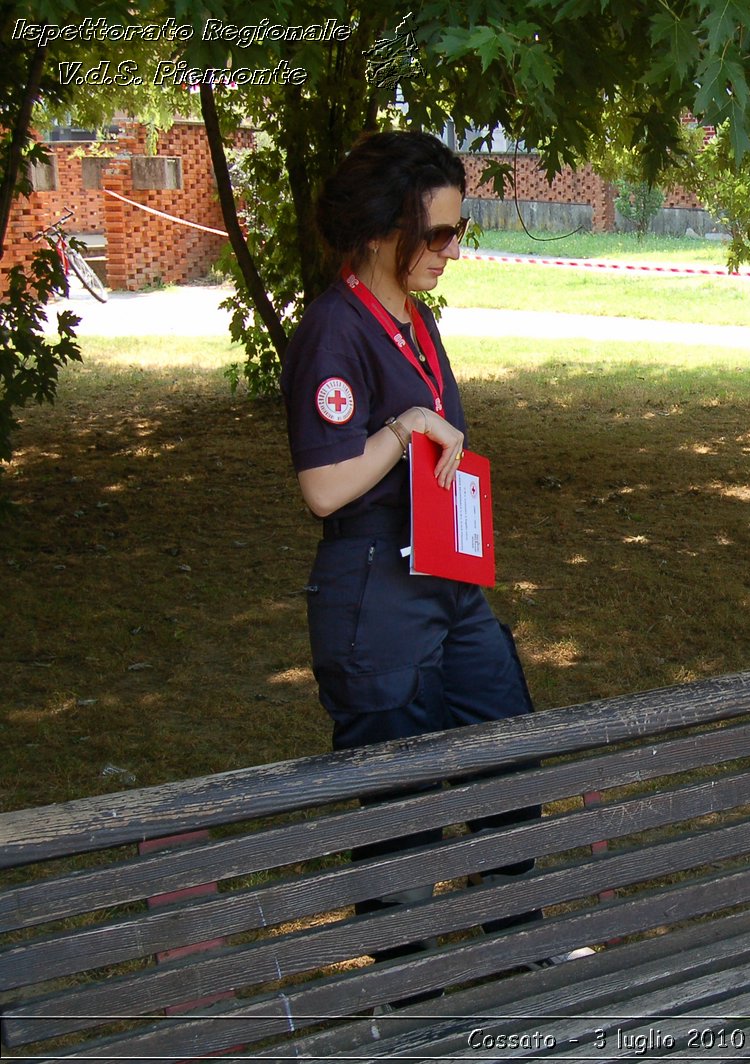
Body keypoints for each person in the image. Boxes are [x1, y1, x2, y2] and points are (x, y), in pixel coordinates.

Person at [280, 131, 541, 947]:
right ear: (380, 229)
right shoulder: (335, 329)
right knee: (406, 810)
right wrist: (400, 431)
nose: (452, 250)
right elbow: (324, 489)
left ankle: (510, 954)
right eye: (437, 234)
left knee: (510, 760)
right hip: (376, 594)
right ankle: (407, 998)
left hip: (447, 581)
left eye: (458, 231)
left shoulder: (415, 320)